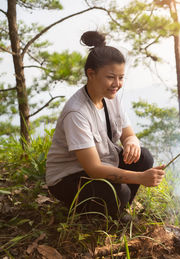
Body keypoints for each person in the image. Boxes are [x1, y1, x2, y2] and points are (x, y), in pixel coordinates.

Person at [45, 31, 165, 220]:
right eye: (111, 77)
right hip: (69, 178)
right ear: (91, 74)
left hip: (100, 162)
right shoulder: (76, 113)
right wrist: (140, 178)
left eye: (121, 77)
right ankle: (102, 211)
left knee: (144, 157)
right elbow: (93, 169)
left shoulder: (110, 98)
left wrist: (131, 142)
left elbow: (128, 134)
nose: (117, 84)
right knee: (120, 192)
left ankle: (117, 211)